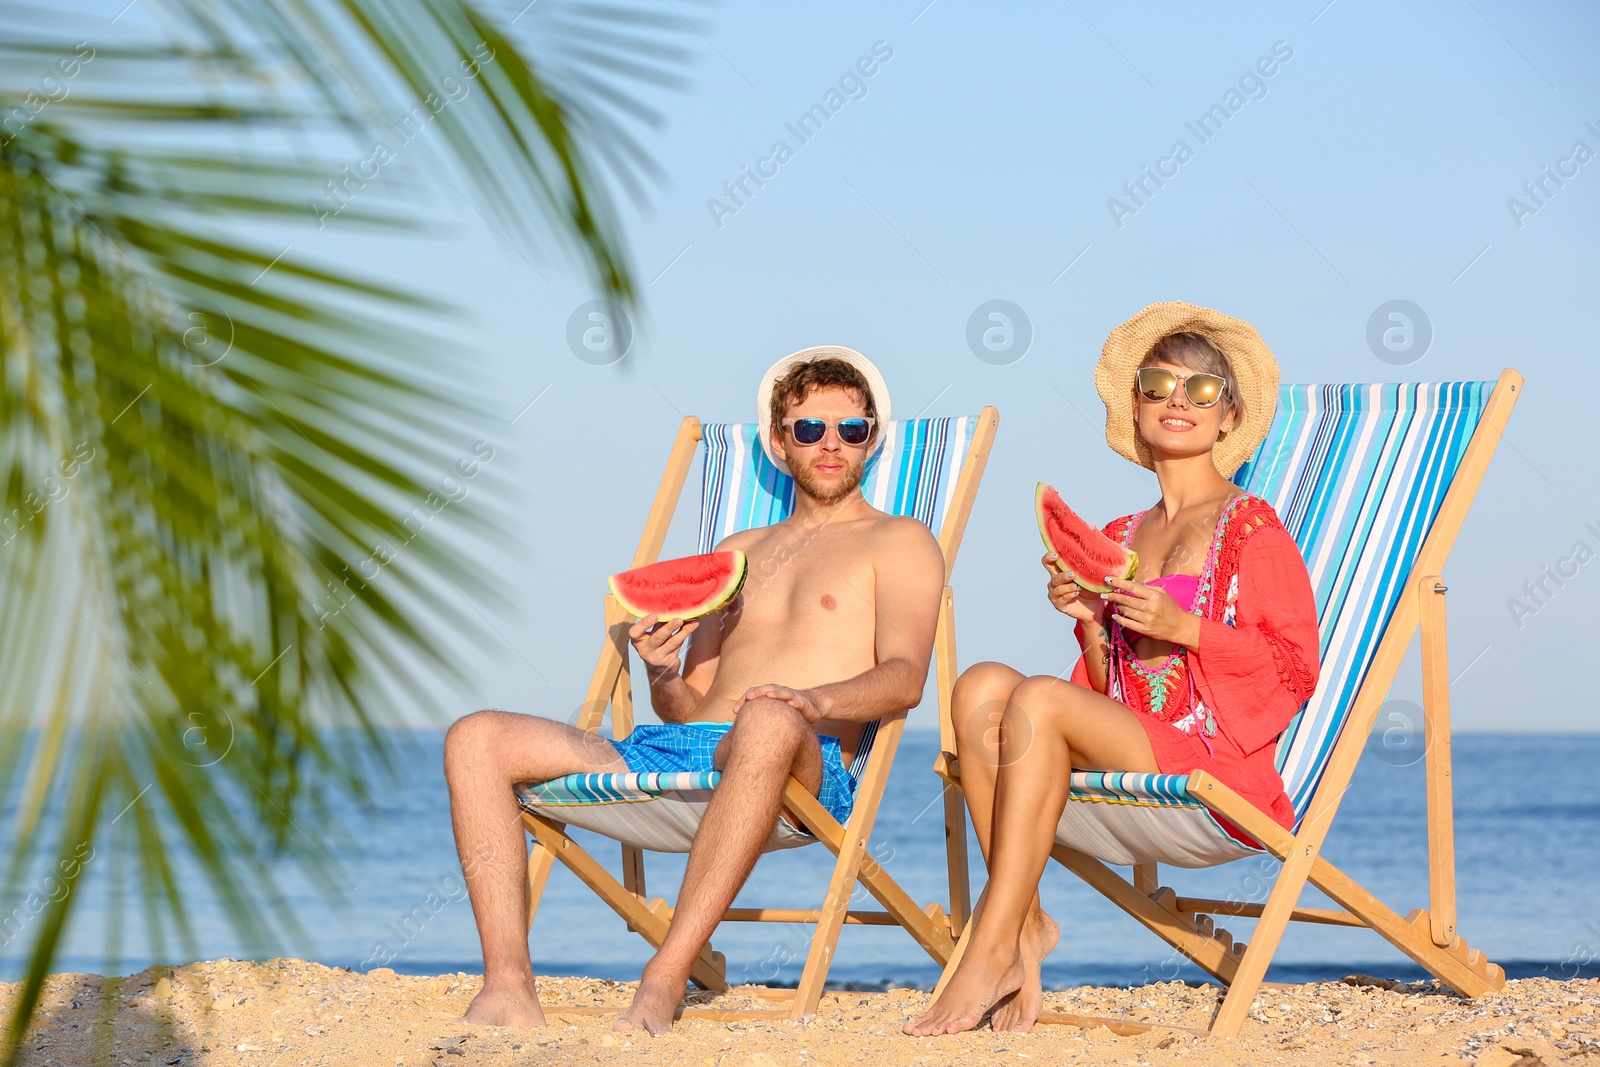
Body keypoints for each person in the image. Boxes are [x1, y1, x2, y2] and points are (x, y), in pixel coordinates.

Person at [444, 347, 946, 1033]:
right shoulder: (737, 550)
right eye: (809, 429)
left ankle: (664, 976)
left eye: (851, 430)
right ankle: (508, 985)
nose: (831, 444)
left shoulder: (901, 540)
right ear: (778, 441)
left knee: (767, 717)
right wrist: (661, 671)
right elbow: (689, 704)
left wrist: (813, 702)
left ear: (872, 439)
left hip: (802, 757)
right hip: (681, 750)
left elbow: (906, 678)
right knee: (476, 738)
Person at [905, 302, 1321, 1036]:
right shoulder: (1119, 534)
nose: (1176, 401)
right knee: (978, 688)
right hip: (1139, 749)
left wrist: (1189, 629)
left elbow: (1294, 669)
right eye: (1158, 385)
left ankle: (991, 943)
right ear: (1136, 405)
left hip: (1218, 772)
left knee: (1034, 696)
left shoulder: (1253, 527)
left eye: (1201, 389)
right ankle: (1025, 920)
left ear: (1229, 417)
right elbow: (1108, 692)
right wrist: (1091, 621)